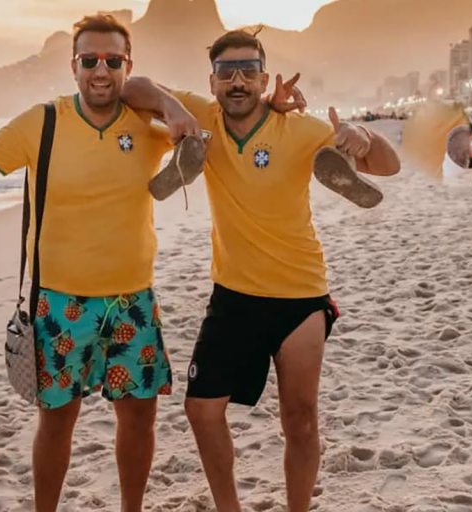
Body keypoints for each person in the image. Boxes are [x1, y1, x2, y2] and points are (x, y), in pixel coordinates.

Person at [0, 14, 203, 512]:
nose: (100, 71)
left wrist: (170, 104)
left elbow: (210, 122)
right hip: (59, 304)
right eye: (89, 60)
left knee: (139, 420)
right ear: (73, 67)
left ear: (127, 65)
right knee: (56, 423)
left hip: (132, 300)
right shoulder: (43, 122)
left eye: (112, 61)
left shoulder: (148, 126)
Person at [122, 29, 400, 512]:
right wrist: (171, 108)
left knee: (300, 418)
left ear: (264, 79)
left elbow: (389, 166)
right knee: (201, 410)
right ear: (211, 82)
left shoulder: (302, 128)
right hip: (234, 295)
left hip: (300, 294)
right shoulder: (203, 115)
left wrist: (362, 136)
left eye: (248, 71)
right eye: (226, 72)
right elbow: (133, 86)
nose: (237, 81)